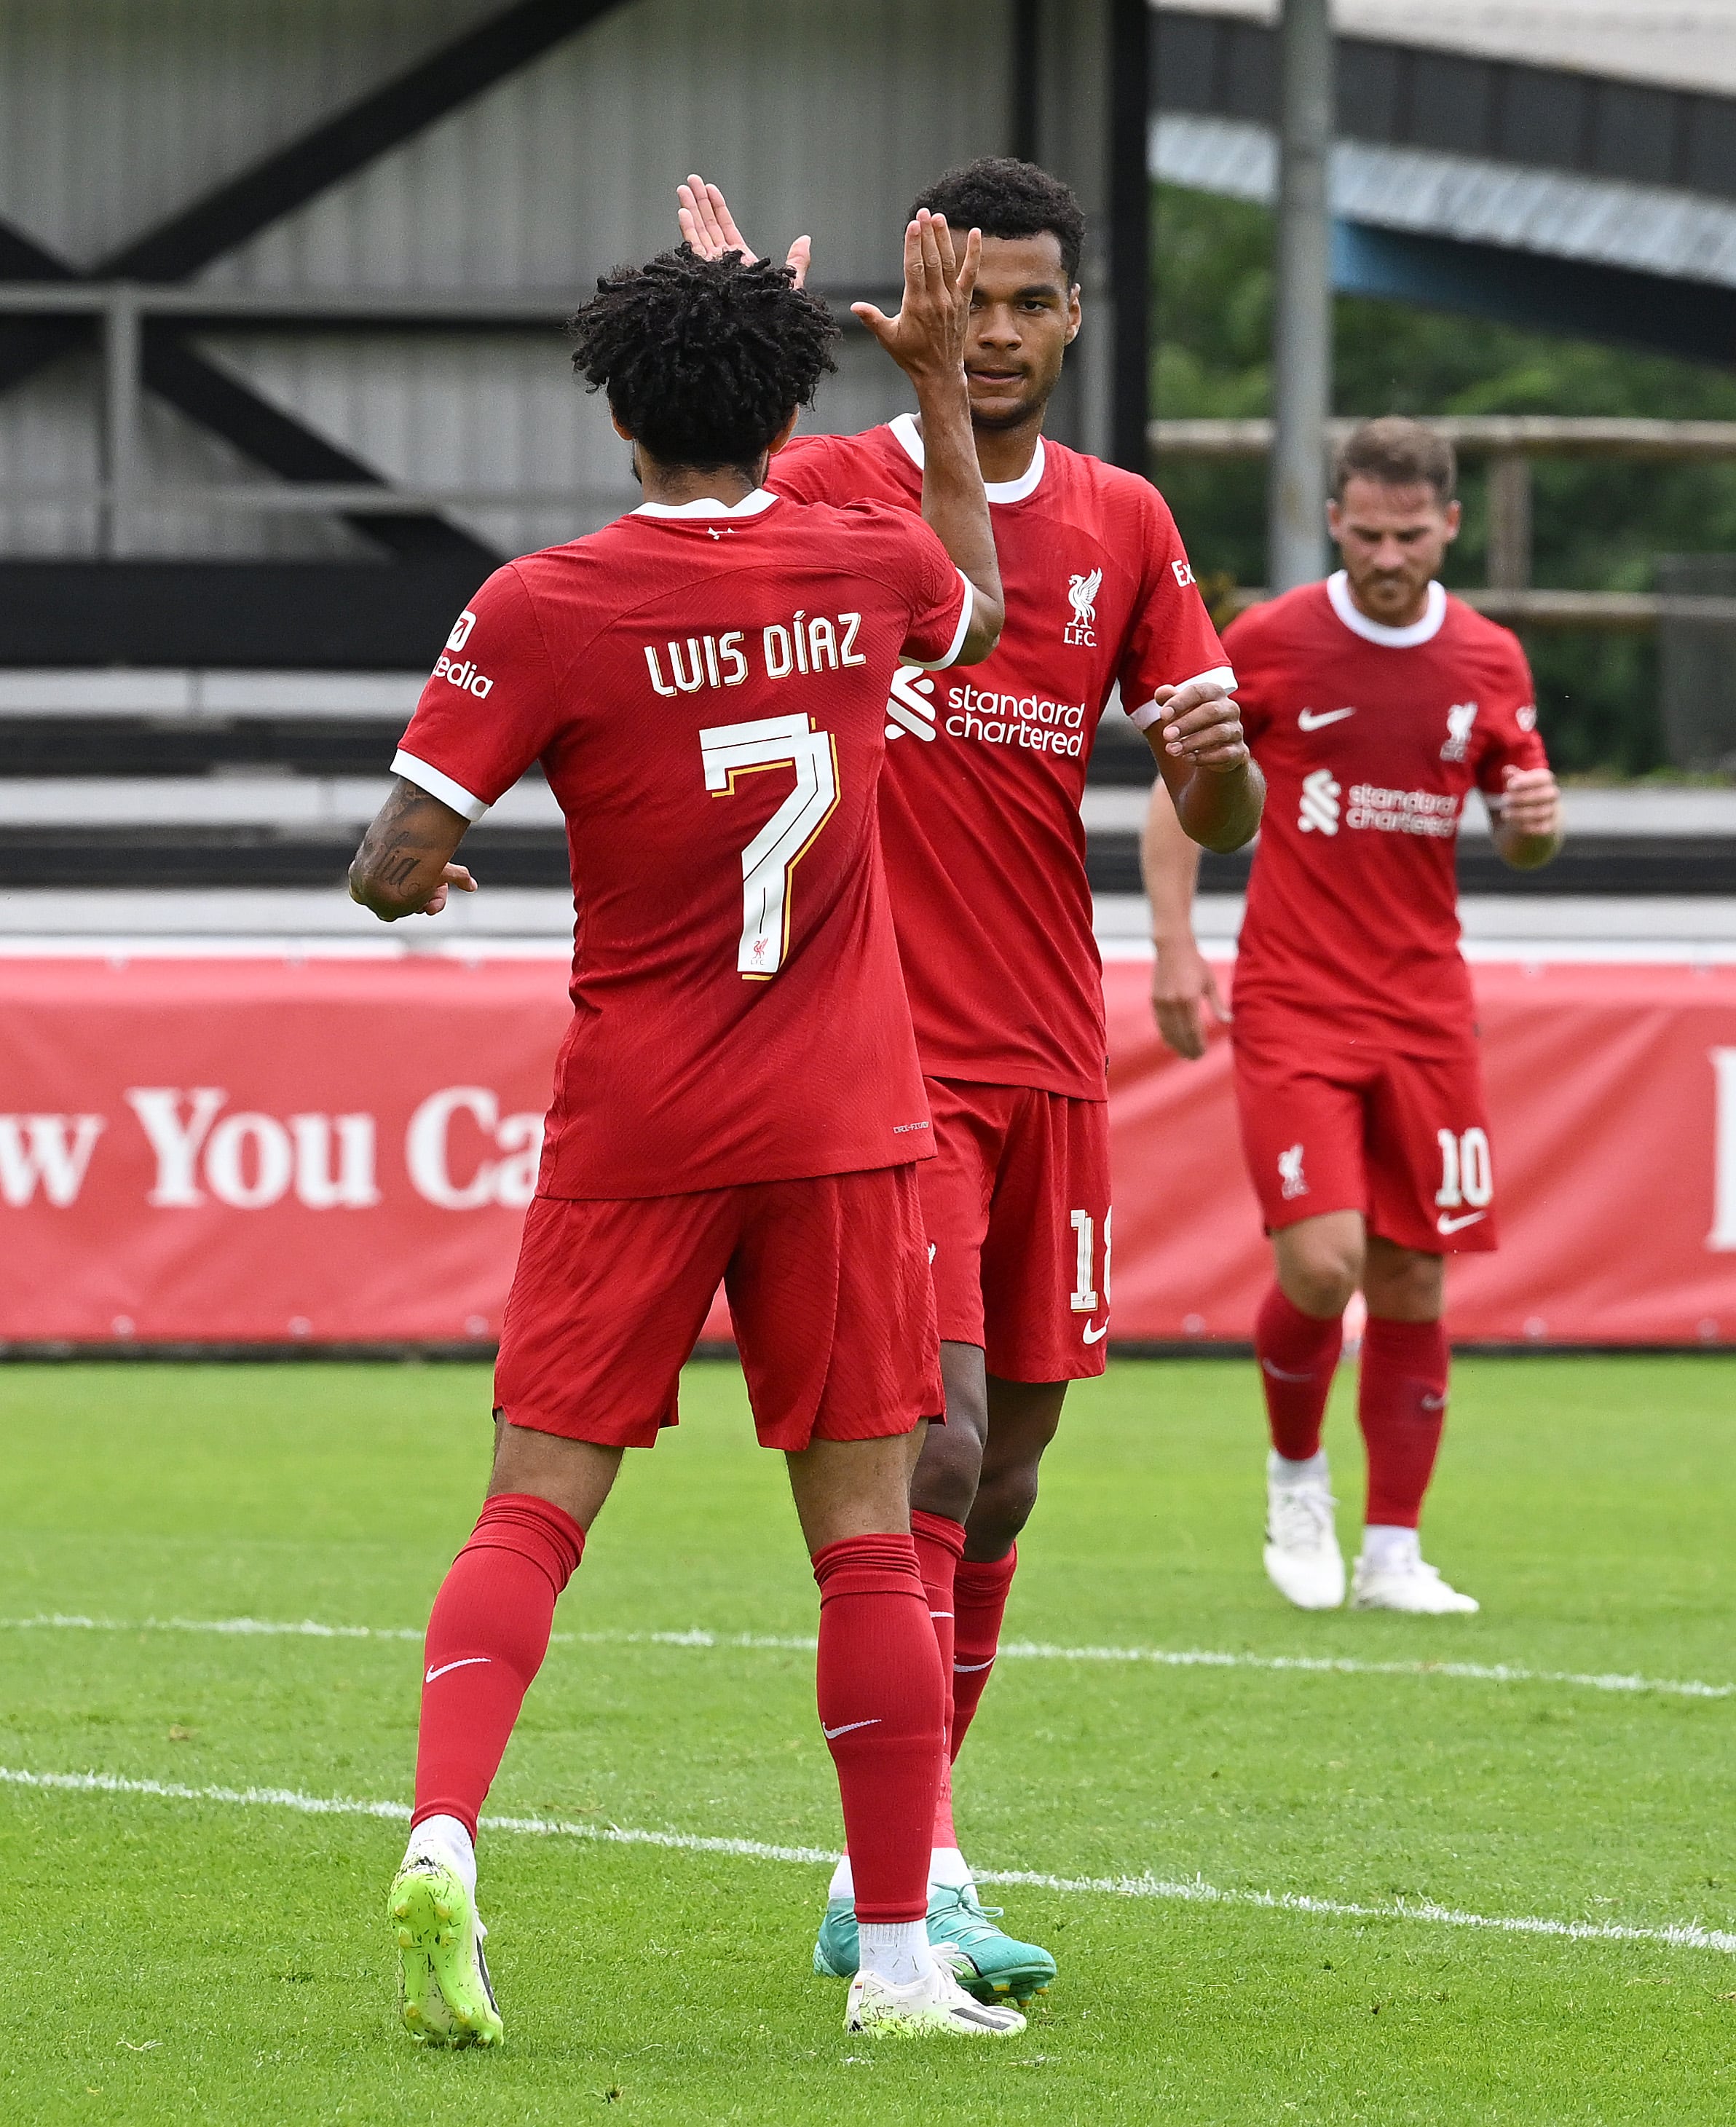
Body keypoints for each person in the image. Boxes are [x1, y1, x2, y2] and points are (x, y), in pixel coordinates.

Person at [348, 217, 1032, 2041]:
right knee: (870, 1543)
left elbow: (392, 864)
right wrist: (932, 392)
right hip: (839, 1117)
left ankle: (441, 1835)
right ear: (788, 399)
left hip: (638, 1118)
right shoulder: (862, 554)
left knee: (533, 1507)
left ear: (615, 416)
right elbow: (974, 599)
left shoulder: (543, 602)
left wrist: (422, 887)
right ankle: (894, 1960)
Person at [677, 160, 1263, 1999]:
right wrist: (740, 327)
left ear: (1072, 317)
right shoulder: (845, 484)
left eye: (1026, 303)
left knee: (1002, 1479)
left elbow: (1218, 815)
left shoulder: (1129, 522)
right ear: (923, 306)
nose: (995, 334)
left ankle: (914, 1848)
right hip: (877, 1056)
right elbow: (690, 502)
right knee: (922, 1443)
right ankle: (906, 1876)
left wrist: (1214, 748)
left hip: (1050, 1058)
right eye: (969, 300)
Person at [1143, 415, 1563, 1615]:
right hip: (1296, 999)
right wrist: (1174, 943)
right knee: (1325, 1264)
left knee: (1417, 1281)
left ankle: (1393, 1549)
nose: (1389, 555)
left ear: (1450, 526)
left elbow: (1525, 827)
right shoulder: (1272, 639)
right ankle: (1294, 1474)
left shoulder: (1489, 658)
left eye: (1410, 533)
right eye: (1368, 533)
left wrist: (1536, 820)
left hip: (1429, 1009)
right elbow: (1182, 801)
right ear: (1334, 522)